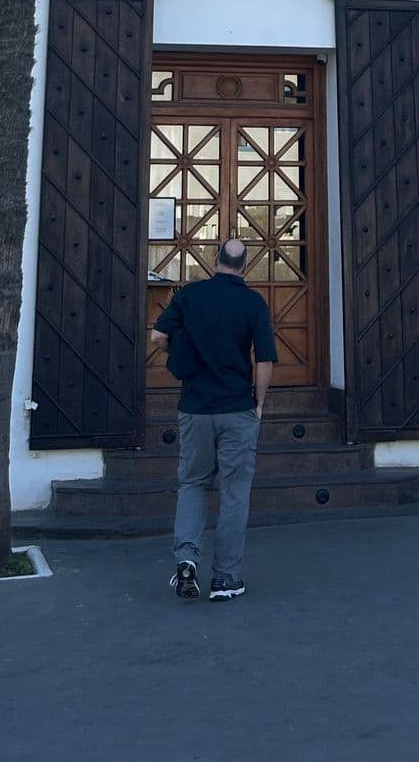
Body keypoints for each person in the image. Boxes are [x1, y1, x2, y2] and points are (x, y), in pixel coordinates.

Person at [149, 237, 277, 602]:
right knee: (235, 493)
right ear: (245, 265)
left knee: (192, 483)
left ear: (214, 260)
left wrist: (180, 349)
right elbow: (265, 359)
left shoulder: (190, 296)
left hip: (195, 407)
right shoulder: (253, 302)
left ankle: (187, 559)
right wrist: (259, 403)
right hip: (237, 409)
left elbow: (158, 335)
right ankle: (225, 579)